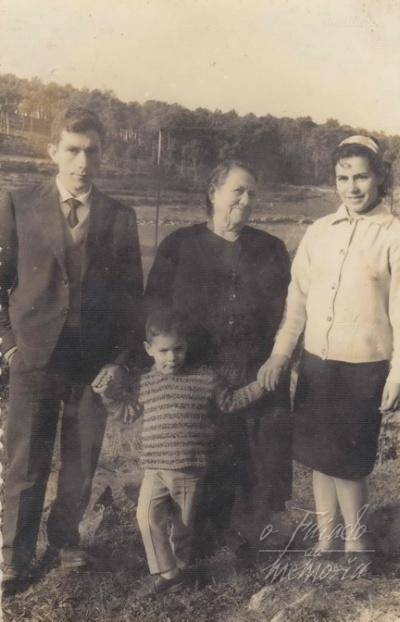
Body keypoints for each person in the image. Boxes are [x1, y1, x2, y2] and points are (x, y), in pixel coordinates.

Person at [0, 107, 143, 583]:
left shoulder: (120, 217)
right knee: (26, 462)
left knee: (81, 462)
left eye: (92, 152)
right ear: (53, 152)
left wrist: (119, 362)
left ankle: (65, 540)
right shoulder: (19, 204)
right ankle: (15, 555)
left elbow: (132, 300)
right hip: (34, 357)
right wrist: (9, 345)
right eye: (73, 150)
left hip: (93, 365)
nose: (83, 162)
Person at [258, 135, 400, 567]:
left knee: (348, 463)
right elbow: (297, 301)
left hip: (364, 367)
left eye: (361, 177)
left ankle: (357, 544)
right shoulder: (319, 232)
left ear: (379, 178)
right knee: (318, 457)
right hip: (317, 364)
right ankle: (326, 541)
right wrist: (281, 353)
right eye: (343, 178)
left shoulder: (393, 234)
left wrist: (397, 374)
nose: (352, 187)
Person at [145, 160, 292, 555]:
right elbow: (155, 309)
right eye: (238, 191)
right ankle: (193, 545)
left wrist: (278, 360)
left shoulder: (271, 249)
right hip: (196, 376)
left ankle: (248, 541)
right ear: (213, 193)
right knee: (199, 462)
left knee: (257, 461)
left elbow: (291, 312)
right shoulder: (179, 246)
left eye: (252, 194)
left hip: (256, 375)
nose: (246, 200)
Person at [92, 307, 266, 593]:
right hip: (155, 468)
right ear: (149, 349)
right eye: (163, 351)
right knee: (146, 517)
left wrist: (262, 385)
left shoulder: (204, 378)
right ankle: (168, 571)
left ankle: (180, 572)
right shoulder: (144, 382)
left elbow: (231, 401)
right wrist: (109, 396)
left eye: (178, 349)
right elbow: (126, 413)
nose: (171, 357)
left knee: (183, 527)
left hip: (189, 468)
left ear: (187, 346)